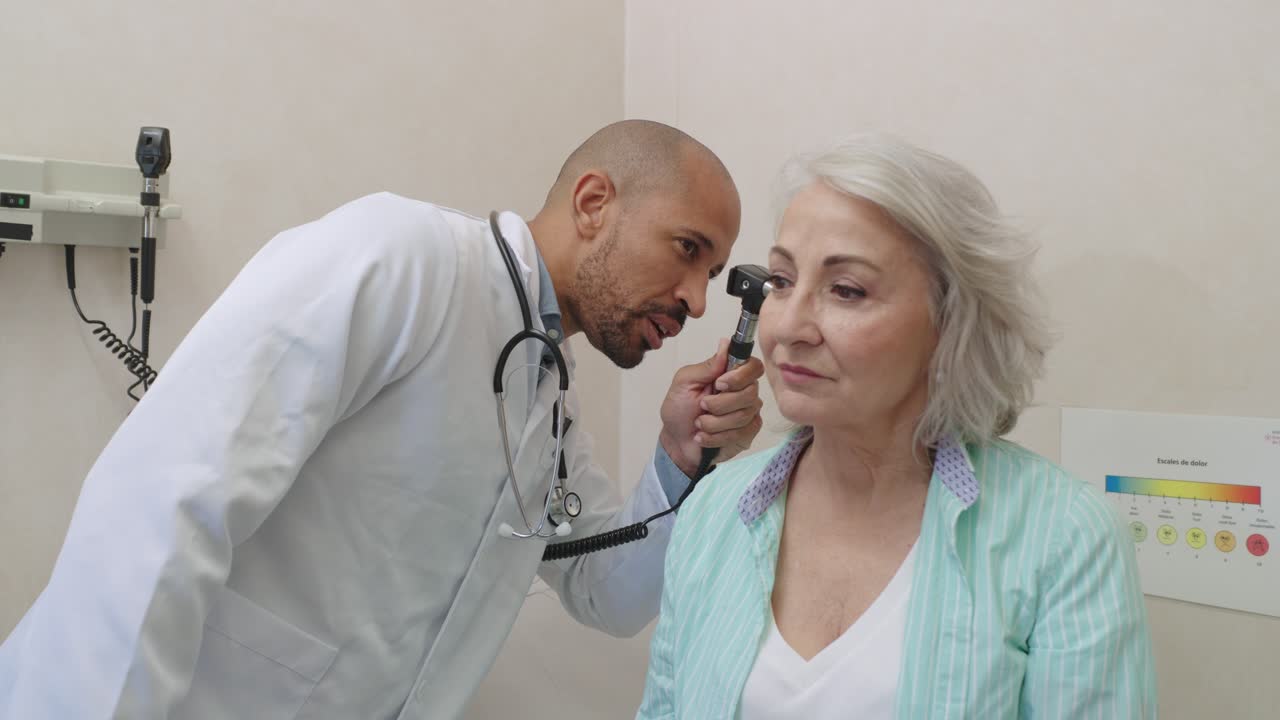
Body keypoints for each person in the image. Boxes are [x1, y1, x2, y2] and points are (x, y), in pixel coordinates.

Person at [0, 120, 765, 719]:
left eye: (710, 272)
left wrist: (678, 453)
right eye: (687, 249)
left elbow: (611, 593)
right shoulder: (403, 257)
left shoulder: (544, 393)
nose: (697, 299)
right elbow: (165, 497)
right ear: (594, 204)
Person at [637, 134, 1157, 719]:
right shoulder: (715, 512)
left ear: (949, 322)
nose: (789, 327)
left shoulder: (1064, 539)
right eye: (781, 282)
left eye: (847, 290)